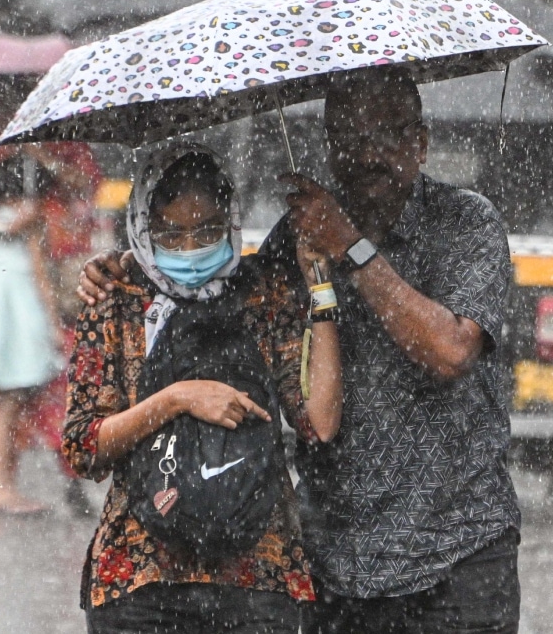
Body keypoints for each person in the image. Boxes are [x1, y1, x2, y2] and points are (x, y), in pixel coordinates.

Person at [78, 68, 522, 633]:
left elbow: (451, 351)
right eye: (350, 138)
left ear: (421, 142)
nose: (369, 155)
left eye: (386, 135)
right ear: (329, 144)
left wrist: (351, 250)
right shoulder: (300, 234)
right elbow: (214, 292)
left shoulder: (466, 222)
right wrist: (122, 272)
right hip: (338, 561)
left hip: (456, 555)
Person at [63, 144, 342, 633]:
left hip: (258, 577)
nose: (191, 249)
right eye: (172, 233)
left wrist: (321, 291)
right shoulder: (115, 300)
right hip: (140, 581)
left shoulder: (265, 295)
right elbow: (84, 449)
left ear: (230, 220)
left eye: (208, 230)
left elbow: (319, 423)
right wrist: (177, 398)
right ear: (145, 229)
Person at [0, 75, 103, 516]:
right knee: (0, 393)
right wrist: (9, 222)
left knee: (70, 387)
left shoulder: (64, 143)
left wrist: (43, 158)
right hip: (11, 290)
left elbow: (85, 190)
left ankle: (74, 479)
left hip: (64, 281)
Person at [0, 156, 66, 515]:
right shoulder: (29, 224)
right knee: (11, 404)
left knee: (5, 406)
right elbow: (41, 280)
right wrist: (53, 327)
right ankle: (3, 490)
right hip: (19, 329)